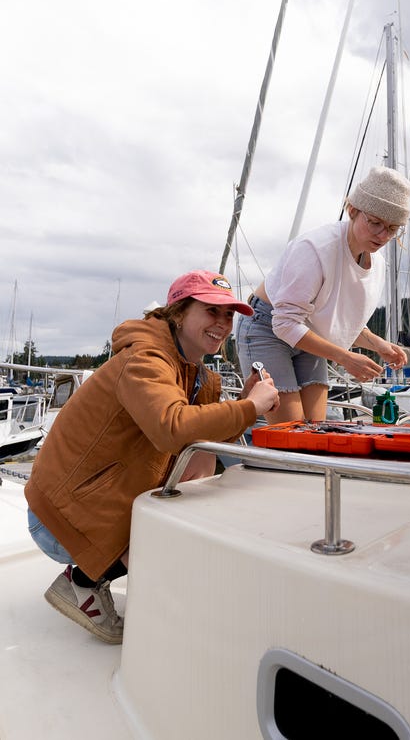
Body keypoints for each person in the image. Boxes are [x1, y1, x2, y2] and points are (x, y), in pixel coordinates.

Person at [25, 270, 279, 644]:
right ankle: (83, 583)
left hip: (94, 502)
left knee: (201, 468)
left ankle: (130, 581)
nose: (223, 324)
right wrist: (248, 409)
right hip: (59, 519)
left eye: (229, 315)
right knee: (179, 531)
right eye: (212, 311)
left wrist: (244, 402)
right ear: (178, 313)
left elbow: (198, 436)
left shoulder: (193, 372)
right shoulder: (145, 359)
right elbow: (171, 427)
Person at [236, 166, 410, 423]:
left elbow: (339, 321)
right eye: (375, 223)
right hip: (267, 326)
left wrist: (378, 344)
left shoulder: (378, 265)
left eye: (392, 228)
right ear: (352, 210)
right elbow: (284, 322)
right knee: (292, 431)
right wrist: (345, 357)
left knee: (315, 428)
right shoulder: (316, 249)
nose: (383, 235)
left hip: (310, 332)